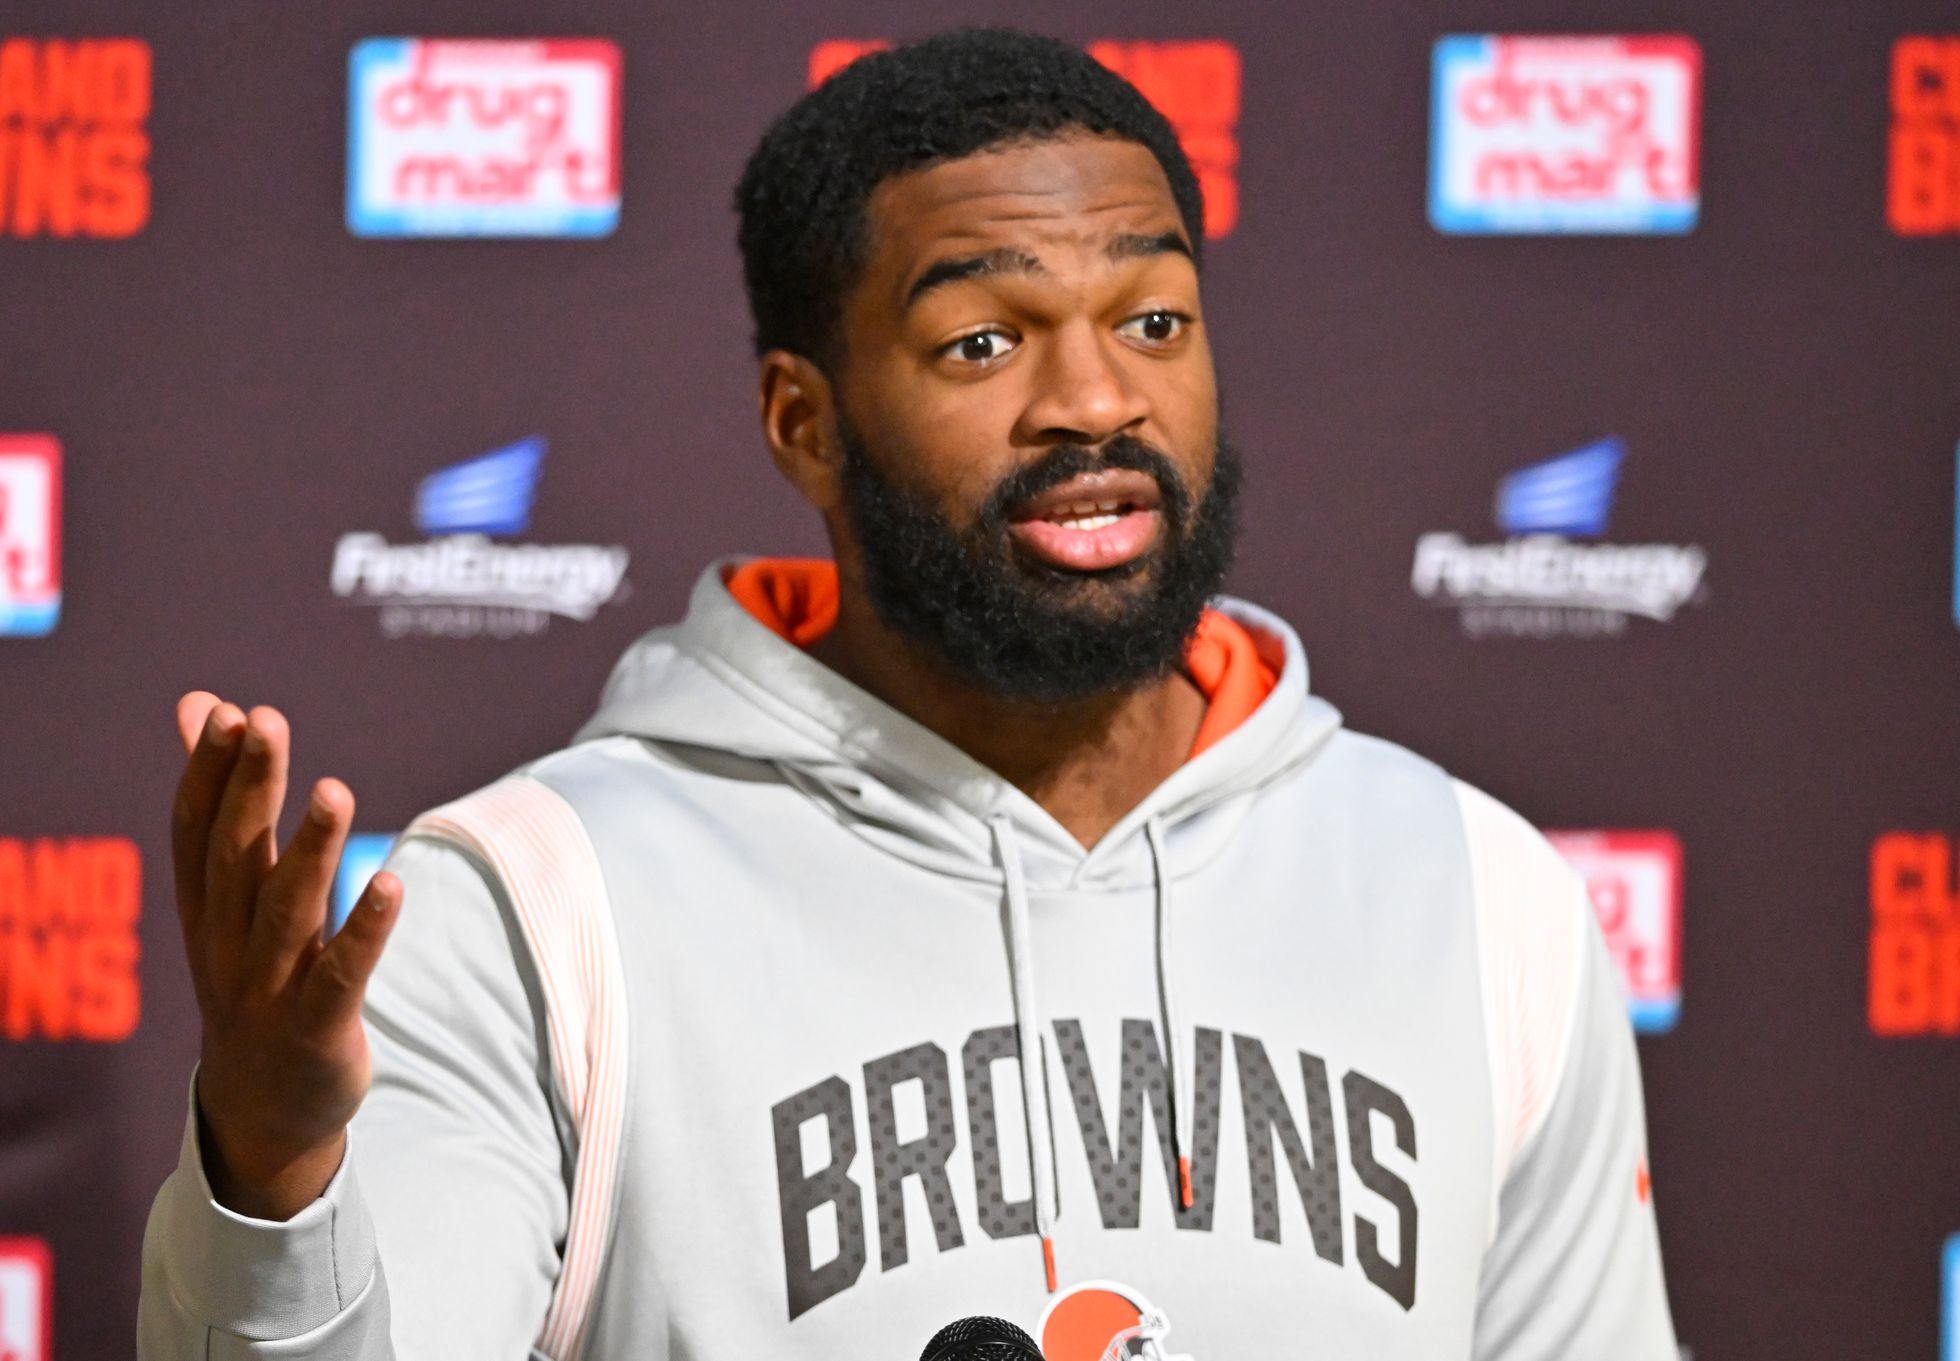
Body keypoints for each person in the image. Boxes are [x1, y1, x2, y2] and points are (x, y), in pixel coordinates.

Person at [138, 27, 1679, 1360]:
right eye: (983, 339)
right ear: (804, 424)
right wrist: (273, 1179)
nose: (1093, 400)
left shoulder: (1479, 892)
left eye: (1154, 320)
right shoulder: (536, 910)